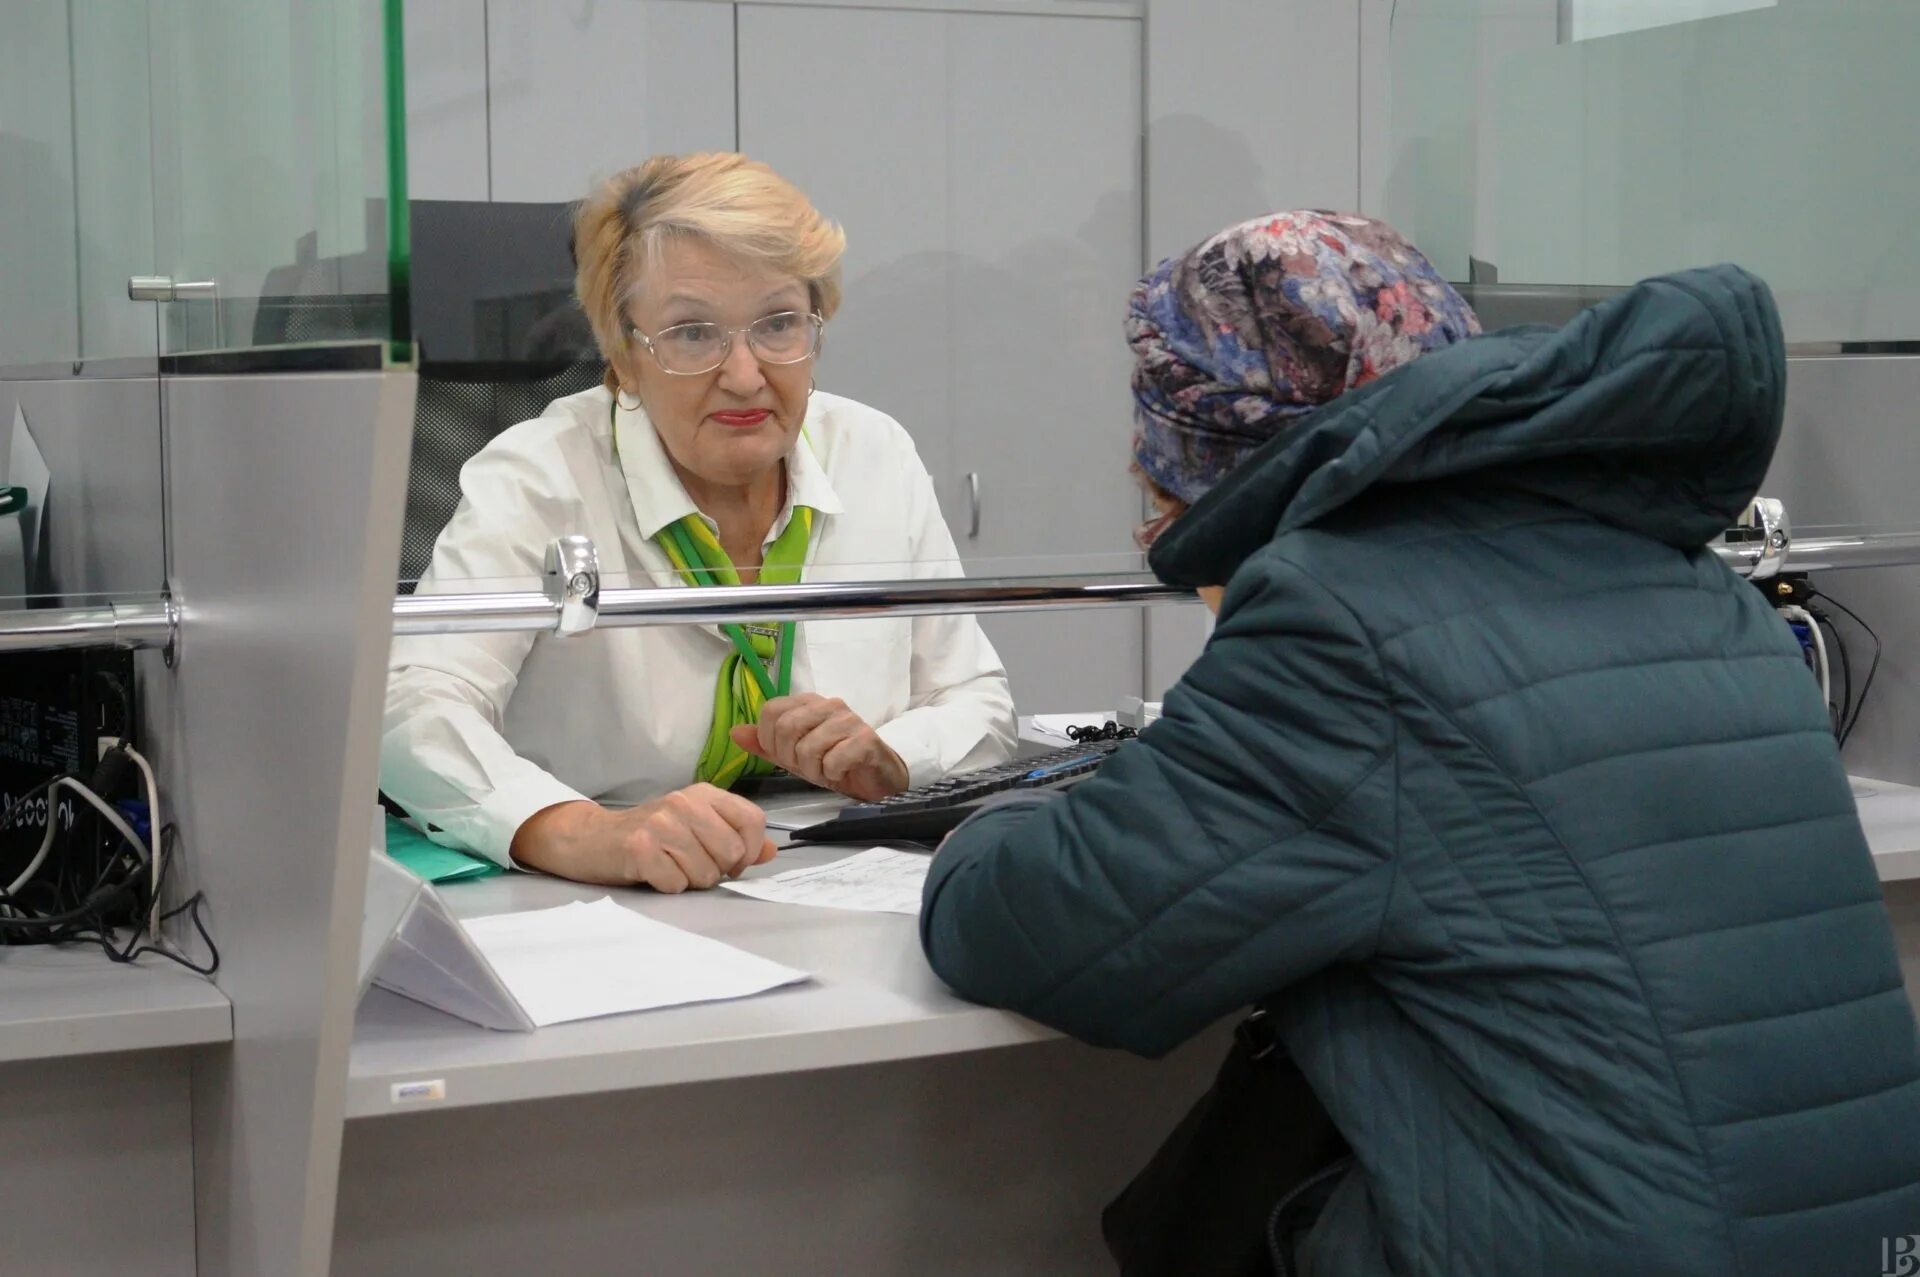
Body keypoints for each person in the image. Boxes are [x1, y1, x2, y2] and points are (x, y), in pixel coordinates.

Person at [919, 211, 1920, 1274]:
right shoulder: (1691, 583)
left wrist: (1005, 808)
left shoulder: (1343, 618)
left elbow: (1040, 929)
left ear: (1217, 468)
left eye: (1158, 482)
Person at [383, 153, 1016, 891]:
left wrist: (898, 756)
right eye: (692, 334)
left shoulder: (874, 454)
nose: (745, 374)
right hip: (589, 903)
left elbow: (979, 700)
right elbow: (409, 708)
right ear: (623, 354)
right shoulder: (541, 476)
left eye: (779, 324)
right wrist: (588, 832)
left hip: (837, 884)